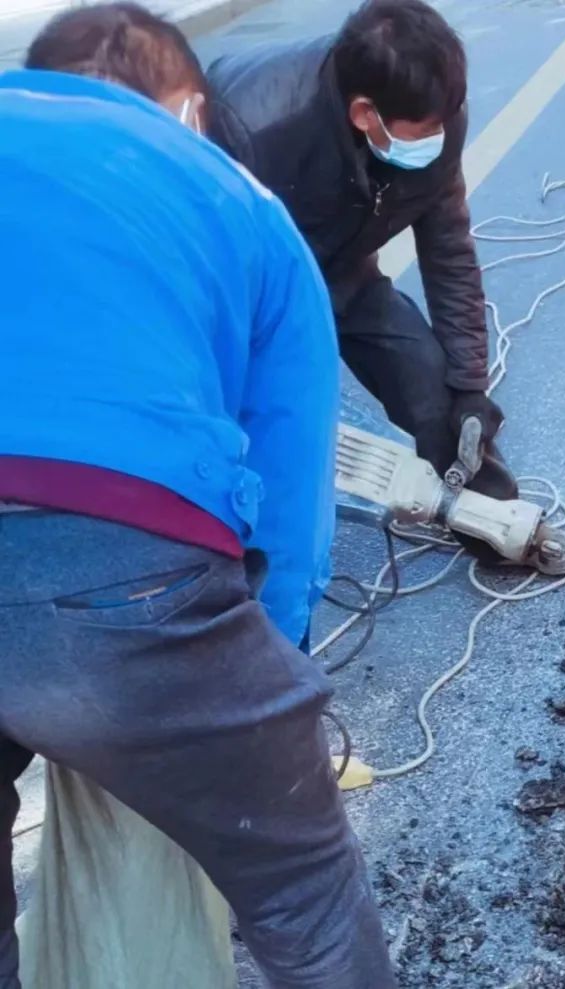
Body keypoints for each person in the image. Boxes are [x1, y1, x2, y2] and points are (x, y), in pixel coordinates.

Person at [1, 5, 397, 986]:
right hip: (112, 568)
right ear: (184, 106)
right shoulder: (235, 197)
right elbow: (287, 483)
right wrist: (259, 694)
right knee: (303, 885)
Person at [206, 0, 565, 573]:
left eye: (443, 123)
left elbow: (448, 251)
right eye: (424, 131)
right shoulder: (250, 129)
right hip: (254, 289)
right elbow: (209, 284)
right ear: (364, 115)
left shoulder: (434, 115)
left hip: (345, 270)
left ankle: (497, 527)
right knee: (272, 433)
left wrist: (470, 384)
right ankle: (236, 569)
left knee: (433, 386)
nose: (438, 136)